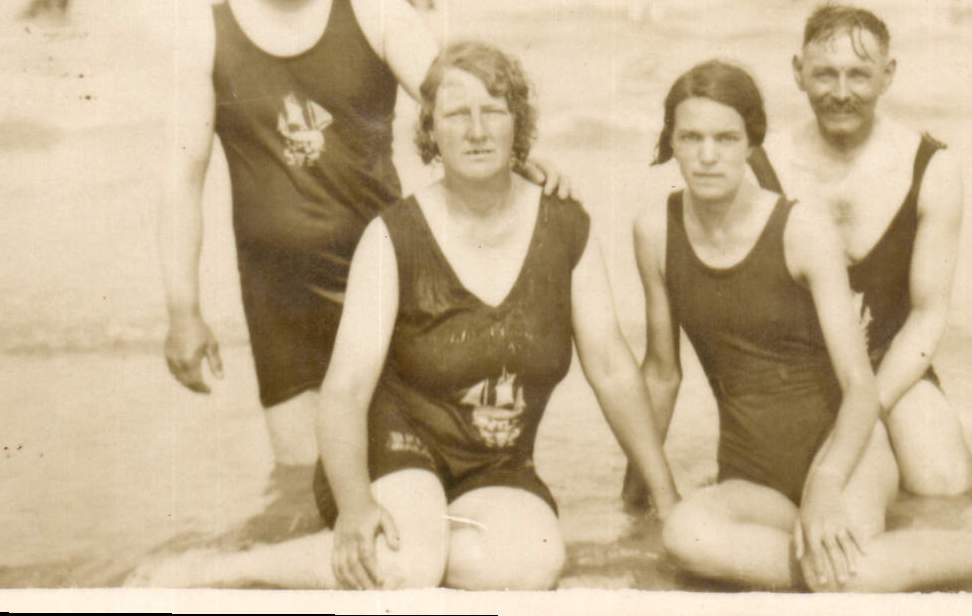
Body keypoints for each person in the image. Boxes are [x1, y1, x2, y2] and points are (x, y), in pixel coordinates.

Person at [135, 42, 680, 589]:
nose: (476, 130)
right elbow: (345, 389)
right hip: (392, 442)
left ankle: (415, 544)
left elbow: (611, 368)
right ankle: (223, 571)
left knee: (528, 566)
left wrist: (666, 496)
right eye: (455, 114)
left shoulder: (566, 228)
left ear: (520, 124)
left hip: (496, 459)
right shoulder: (394, 234)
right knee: (405, 564)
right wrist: (353, 509)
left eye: (493, 110)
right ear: (430, 133)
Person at [634, 61, 972, 592]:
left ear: (753, 142)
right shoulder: (656, 230)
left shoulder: (801, 229)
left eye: (726, 138)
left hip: (849, 452)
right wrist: (640, 495)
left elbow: (862, 386)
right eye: (691, 137)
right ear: (671, 143)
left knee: (835, 573)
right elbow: (660, 375)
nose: (707, 155)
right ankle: (915, 568)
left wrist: (825, 481)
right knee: (687, 536)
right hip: (751, 475)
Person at [157, 0, 566, 476]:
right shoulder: (205, 34)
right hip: (277, 294)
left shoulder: (372, 9)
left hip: (385, 279)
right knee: (303, 477)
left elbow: (453, 100)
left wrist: (522, 160)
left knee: (415, 465)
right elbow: (182, 182)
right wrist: (183, 312)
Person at [766, 5, 972, 497]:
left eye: (859, 75)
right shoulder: (761, 164)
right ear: (798, 73)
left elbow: (928, 315)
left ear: (888, 75)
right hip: (796, 373)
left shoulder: (931, 166)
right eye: (824, 74)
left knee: (943, 485)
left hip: (891, 367)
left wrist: (867, 412)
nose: (841, 93)